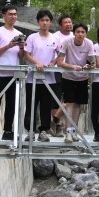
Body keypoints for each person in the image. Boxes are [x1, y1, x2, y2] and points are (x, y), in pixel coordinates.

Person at [22, 10, 60, 141]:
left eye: (47, 20)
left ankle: (43, 130)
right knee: (31, 104)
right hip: (32, 78)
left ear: (50, 22)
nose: (45, 23)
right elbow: (26, 54)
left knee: (46, 105)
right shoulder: (32, 37)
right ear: (38, 22)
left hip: (49, 78)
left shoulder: (55, 38)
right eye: (42, 20)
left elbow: (60, 54)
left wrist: (52, 62)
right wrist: (37, 62)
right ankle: (30, 130)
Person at [0, 6, 24, 141]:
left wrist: (21, 47)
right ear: (4, 15)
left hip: (14, 73)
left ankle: (8, 130)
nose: (13, 17)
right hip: (0, 73)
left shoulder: (18, 32)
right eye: (10, 14)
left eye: (15, 14)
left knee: (11, 104)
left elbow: (21, 56)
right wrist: (8, 46)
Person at [56, 23, 95, 143]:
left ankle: (74, 131)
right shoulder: (67, 42)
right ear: (74, 33)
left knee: (78, 105)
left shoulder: (89, 43)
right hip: (68, 77)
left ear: (86, 34)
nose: (80, 34)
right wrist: (72, 66)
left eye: (83, 32)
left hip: (82, 78)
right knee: (69, 104)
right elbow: (60, 62)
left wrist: (89, 65)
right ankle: (68, 132)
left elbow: (93, 63)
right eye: (78, 32)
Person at [49, 15, 75, 136]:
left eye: (70, 22)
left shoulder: (75, 37)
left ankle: (56, 121)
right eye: (66, 22)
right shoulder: (55, 36)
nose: (69, 24)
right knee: (55, 99)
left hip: (71, 71)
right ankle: (58, 126)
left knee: (70, 100)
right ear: (60, 25)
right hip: (57, 70)